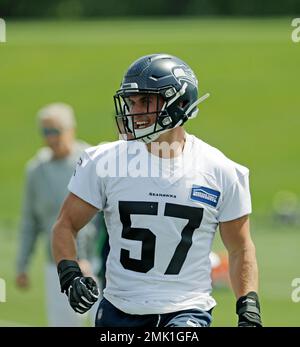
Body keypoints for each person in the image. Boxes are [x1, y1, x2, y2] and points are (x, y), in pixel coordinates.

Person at [52, 54, 262, 327]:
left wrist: (248, 306)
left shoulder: (221, 171)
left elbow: (240, 248)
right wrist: (70, 273)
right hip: (119, 308)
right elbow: (65, 225)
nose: (134, 110)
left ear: (180, 102)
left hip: (187, 309)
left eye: (146, 101)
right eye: (132, 101)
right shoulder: (104, 162)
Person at [16, 102, 102, 327]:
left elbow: (103, 217)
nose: (50, 138)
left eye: (55, 131)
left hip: (96, 263)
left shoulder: (91, 161)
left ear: (71, 129)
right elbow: (30, 222)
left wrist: (84, 258)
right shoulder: (36, 170)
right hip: (57, 266)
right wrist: (22, 266)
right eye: (45, 132)